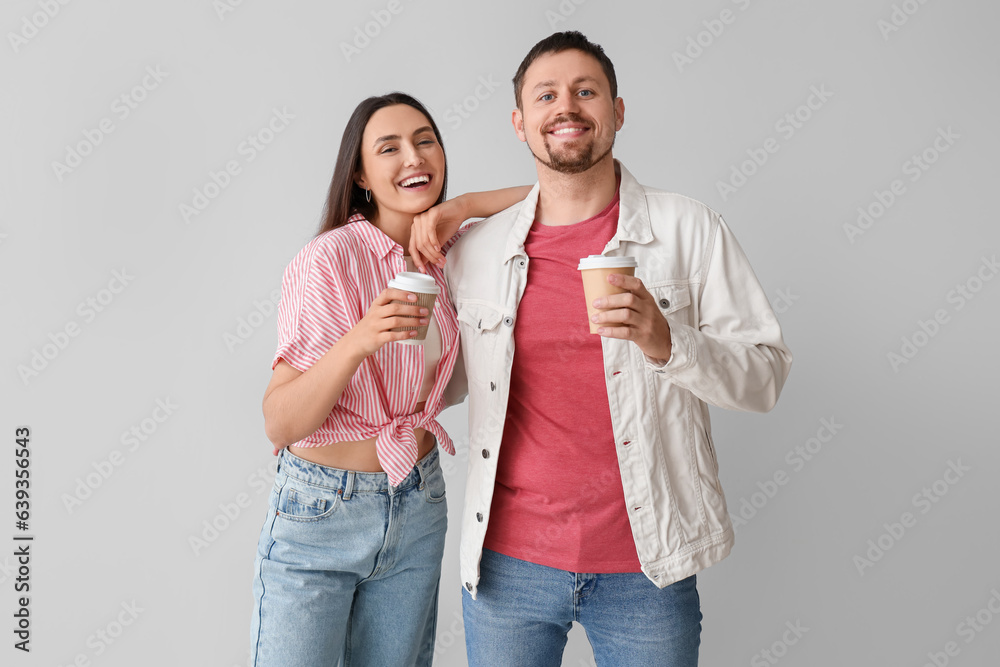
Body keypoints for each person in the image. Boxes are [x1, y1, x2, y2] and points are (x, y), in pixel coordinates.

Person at [412, 32, 793, 666]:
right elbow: (435, 384)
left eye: (586, 92)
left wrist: (667, 341)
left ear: (617, 112)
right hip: (508, 568)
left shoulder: (687, 230)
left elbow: (766, 378)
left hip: (647, 567)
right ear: (520, 122)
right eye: (547, 95)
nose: (566, 107)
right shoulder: (476, 252)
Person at [250, 92, 528, 667]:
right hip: (321, 511)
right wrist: (361, 337)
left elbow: (560, 200)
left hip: (418, 500)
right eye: (390, 147)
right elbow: (279, 419)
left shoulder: (452, 253)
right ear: (361, 174)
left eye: (425, 140)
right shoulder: (327, 259)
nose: (414, 157)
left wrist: (467, 206)